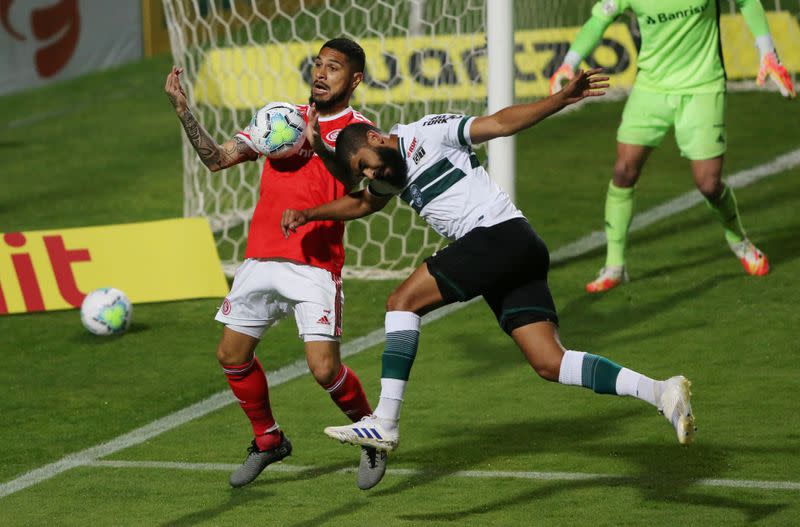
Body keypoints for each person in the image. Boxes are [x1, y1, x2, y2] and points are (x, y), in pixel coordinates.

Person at [280, 69, 696, 473]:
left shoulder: (427, 132)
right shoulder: (388, 172)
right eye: (364, 173)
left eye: (368, 165)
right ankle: (660, 392)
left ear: (376, 138)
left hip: (497, 234)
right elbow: (363, 203)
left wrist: (558, 100)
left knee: (401, 302)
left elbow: (497, 123)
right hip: (515, 250)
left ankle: (384, 421)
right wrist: (310, 212)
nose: (372, 176)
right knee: (550, 362)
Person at [164, 37, 387, 490]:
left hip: (314, 265)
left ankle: (372, 432)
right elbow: (217, 159)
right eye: (318, 65)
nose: (321, 74)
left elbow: (371, 192)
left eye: (335, 68)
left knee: (324, 369)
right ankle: (268, 440)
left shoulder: (357, 133)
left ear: (356, 80)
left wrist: (322, 147)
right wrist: (185, 111)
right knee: (231, 355)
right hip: (260, 259)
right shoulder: (278, 120)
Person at [548, 0, 795, 293]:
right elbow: (598, 20)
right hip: (651, 88)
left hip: (703, 86)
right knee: (624, 170)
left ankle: (739, 240)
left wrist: (767, 52)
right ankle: (615, 266)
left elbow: (747, 2)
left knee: (708, 183)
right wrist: (569, 63)